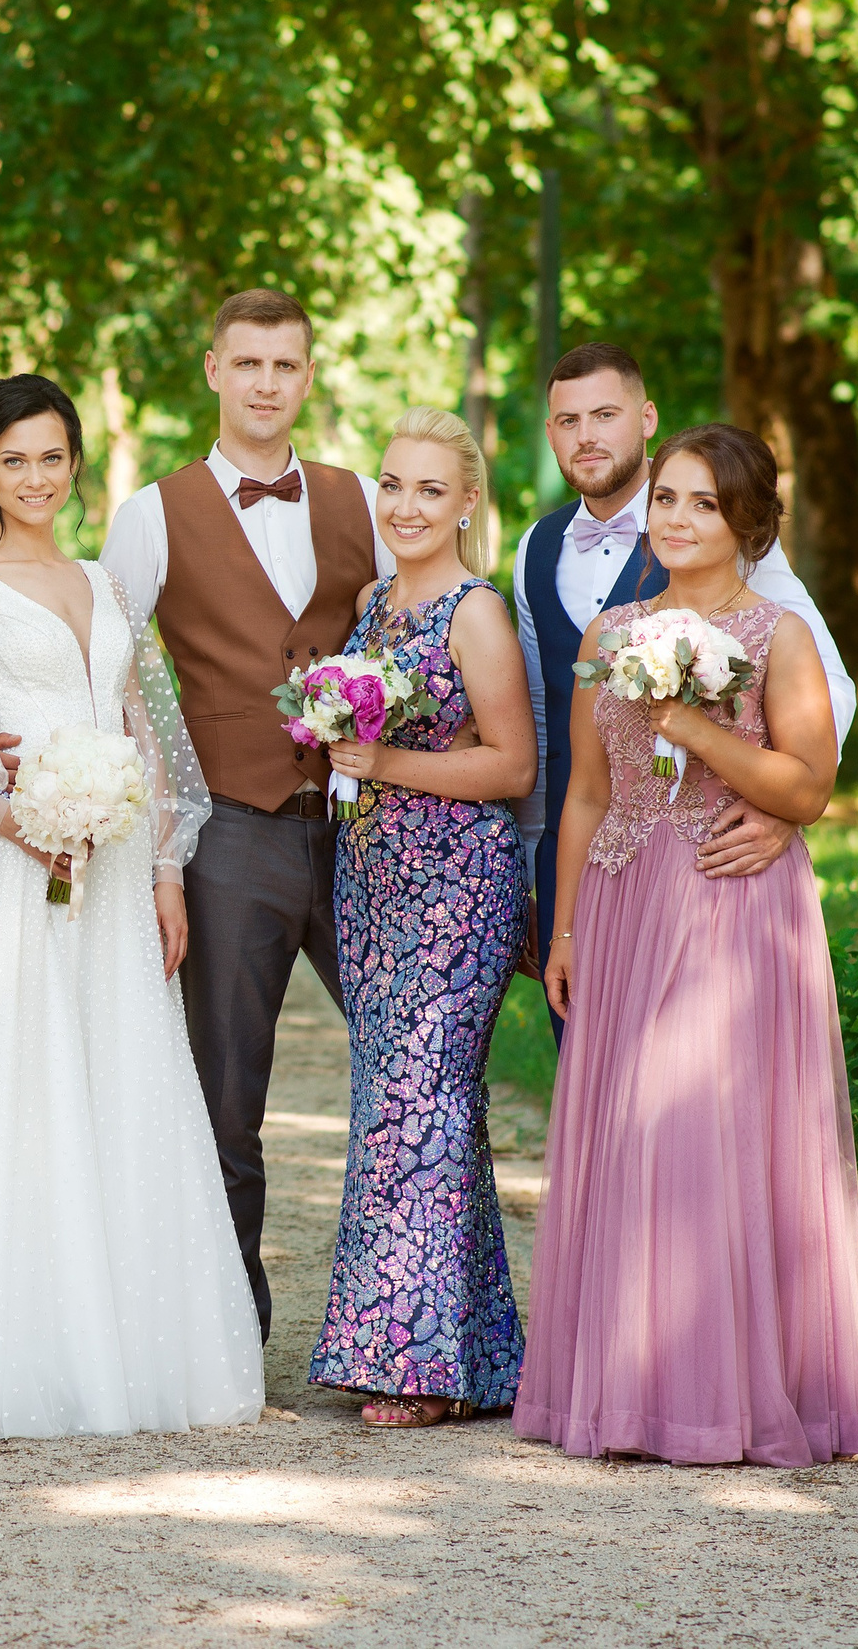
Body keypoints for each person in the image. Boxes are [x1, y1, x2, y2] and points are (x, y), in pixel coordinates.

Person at [0, 374, 262, 1441]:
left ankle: (128, 1352)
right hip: (9, 872)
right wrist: (0, 802)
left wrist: (166, 871)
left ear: (75, 463)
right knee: (15, 1089)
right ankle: (3, 1355)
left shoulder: (104, 584)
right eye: (13, 460)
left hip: (112, 874)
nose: (35, 478)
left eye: (52, 457)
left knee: (116, 1078)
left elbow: (147, 728)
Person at [516, 423, 858, 1467]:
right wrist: (565, 926)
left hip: (731, 903)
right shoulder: (610, 632)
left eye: (703, 504)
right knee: (628, 1134)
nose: (677, 520)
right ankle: (626, 1394)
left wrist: (693, 724)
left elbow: (808, 785)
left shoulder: (779, 635)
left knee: (702, 1139)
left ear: (748, 522)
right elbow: (587, 792)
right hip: (623, 896)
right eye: (667, 500)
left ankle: (719, 1399)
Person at [99, 287, 393, 1342]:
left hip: (366, 831)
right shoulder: (150, 514)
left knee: (412, 1074)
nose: (267, 383)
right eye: (249, 363)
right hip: (228, 830)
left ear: (307, 376)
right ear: (214, 370)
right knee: (226, 1098)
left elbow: (418, 639)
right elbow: (110, 684)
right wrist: (155, 853)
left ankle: (405, 1332)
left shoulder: (368, 502)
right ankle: (227, 1341)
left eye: (286, 365)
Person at [514, 343, 855, 1038]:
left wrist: (784, 810)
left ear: (645, 418)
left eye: (605, 414)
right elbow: (545, 726)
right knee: (597, 1065)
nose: (586, 435)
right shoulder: (534, 548)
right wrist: (533, 877)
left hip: (722, 862)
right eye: (569, 420)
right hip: (594, 865)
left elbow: (826, 685)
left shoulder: (739, 549)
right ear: (549, 430)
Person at [303, 409, 536, 1428]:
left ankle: (411, 1366)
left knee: (421, 1101)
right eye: (393, 485)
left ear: (467, 503)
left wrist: (383, 761)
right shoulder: (372, 602)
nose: (405, 505)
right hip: (371, 879)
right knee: (401, 1104)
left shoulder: (474, 612)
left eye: (430, 489)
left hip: (457, 883)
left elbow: (512, 765)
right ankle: (477, 1359)